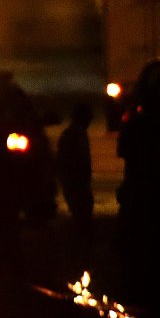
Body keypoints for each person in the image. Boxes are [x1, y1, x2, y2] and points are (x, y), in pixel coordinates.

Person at [55, 101, 95, 267]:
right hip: (76, 182)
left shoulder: (72, 133)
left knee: (80, 216)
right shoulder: (76, 134)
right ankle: (80, 253)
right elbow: (76, 160)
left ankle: (79, 252)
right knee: (82, 215)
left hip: (74, 181)